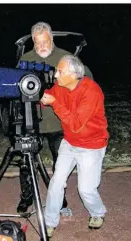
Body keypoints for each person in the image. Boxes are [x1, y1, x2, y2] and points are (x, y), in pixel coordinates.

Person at [16, 22, 93, 215]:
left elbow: (87, 79)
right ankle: (26, 198)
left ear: (52, 39)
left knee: (60, 165)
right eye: (37, 42)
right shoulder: (26, 58)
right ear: (33, 41)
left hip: (59, 122)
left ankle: (61, 201)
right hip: (31, 121)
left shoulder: (65, 57)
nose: (42, 46)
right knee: (26, 163)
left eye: (45, 41)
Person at [41, 55, 109, 237]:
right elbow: (45, 98)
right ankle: (49, 222)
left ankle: (98, 212)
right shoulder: (60, 86)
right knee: (56, 182)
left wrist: (54, 104)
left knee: (86, 189)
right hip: (70, 143)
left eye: (60, 72)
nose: (55, 76)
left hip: (91, 146)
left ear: (73, 75)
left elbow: (76, 123)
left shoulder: (91, 91)